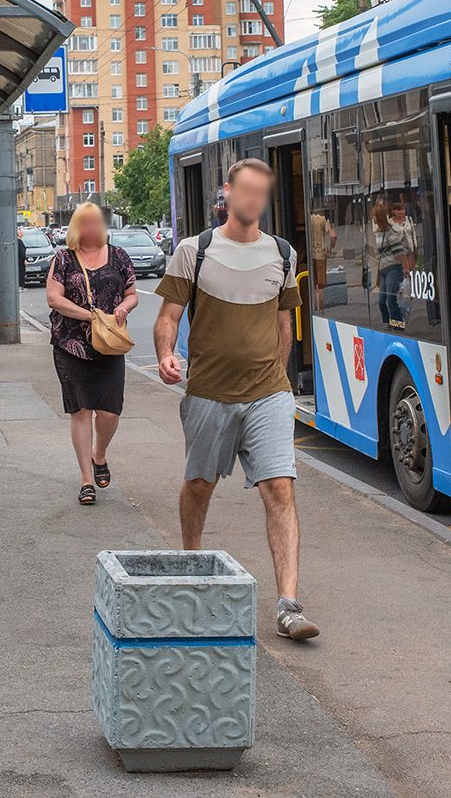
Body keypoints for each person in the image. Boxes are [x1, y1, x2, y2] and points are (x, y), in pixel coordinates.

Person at [153, 157, 319, 641]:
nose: (251, 200)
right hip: (209, 391)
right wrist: (166, 354)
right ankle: (192, 565)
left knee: (280, 488)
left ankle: (288, 604)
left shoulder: (283, 255)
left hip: (269, 392)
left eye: (259, 192)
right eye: (243, 191)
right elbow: (168, 317)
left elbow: (284, 325)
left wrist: (278, 377)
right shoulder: (194, 251)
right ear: (226, 193)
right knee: (200, 483)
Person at [45, 202, 137, 506]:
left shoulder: (119, 256)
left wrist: (123, 307)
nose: (92, 229)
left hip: (109, 343)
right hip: (71, 344)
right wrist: (89, 316)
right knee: (81, 410)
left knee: (110, 412)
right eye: (86, 223)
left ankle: (100, 455)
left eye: (96, 223)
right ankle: (86, 479)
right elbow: (53, 298)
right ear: (76, 227)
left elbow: (131, 293)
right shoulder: (64, 259)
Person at [373, 197, 415, 330]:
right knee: (381, 301)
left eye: (374, 217)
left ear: (378, 218)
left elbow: (399, 252)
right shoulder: (378, 232)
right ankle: (389, 322)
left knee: (391, 299)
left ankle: (398, 326)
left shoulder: (390, 231)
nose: (373, 219)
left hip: (393, 268)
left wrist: (406, 268)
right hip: (384, 270)